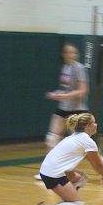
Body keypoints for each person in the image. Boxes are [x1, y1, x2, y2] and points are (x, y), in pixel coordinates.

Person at [22, 113, 103, 205]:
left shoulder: (76, 136)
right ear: (87, 126)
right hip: (53, 175)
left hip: (48, 170)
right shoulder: (87, 141)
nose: (96, 125)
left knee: (81, 178)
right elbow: (98, 165)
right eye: (94, 122)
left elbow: (96, 164)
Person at [34, 43, 89, 180]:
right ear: (64, 54)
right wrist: (55, 94)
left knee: (84, 145)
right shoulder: (65, 68)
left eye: (75, 53)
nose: (73, 55)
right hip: (63, 108)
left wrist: (65, 96)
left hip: (77, 111)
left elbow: (83, 91)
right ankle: (50, 171)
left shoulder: (79, 68)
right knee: (51, 139)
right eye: (70, 53)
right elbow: (65, 89)